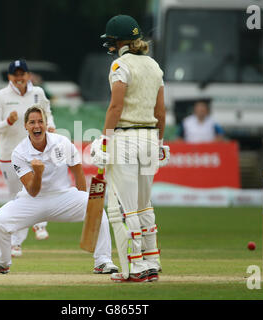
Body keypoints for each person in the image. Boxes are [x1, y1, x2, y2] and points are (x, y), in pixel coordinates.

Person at [0, 106, 118, 275]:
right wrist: (38, 173)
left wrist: (86, 201)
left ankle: (103, 261)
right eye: (32, 122)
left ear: (47, 124)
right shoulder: (19, 152)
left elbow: (78, 172)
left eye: (40, 121)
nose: (37, 126)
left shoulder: (62, 142)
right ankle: (2, 262)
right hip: (32, 200)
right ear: (25, 126)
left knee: (96, 209)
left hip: (63, 197)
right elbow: (32, 191)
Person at [90, 15, 170, 283]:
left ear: (119, 41)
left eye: (111, 41)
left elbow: (116, 107)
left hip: (126, 138)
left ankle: (134, 267)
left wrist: (104, 141)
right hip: (149, 138)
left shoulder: (119, 65)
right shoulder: (154, 66)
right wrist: (159, 142)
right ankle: (152, 260)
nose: (110, 45)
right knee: (144, 204)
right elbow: (160, 110)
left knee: (124, 207)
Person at [0, 59, 55, 258]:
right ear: (9, 77)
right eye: (15, 75)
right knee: (17, 197)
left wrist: (50, 127)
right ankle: (16, 243)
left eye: (22, 74)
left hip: (35, 151)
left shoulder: (38, 93)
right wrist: (7, 122)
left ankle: (38, 226)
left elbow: (48, 115)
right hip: (9, 155)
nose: (19, 78)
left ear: (28, 75)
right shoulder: (0, 96)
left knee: (39, 188)